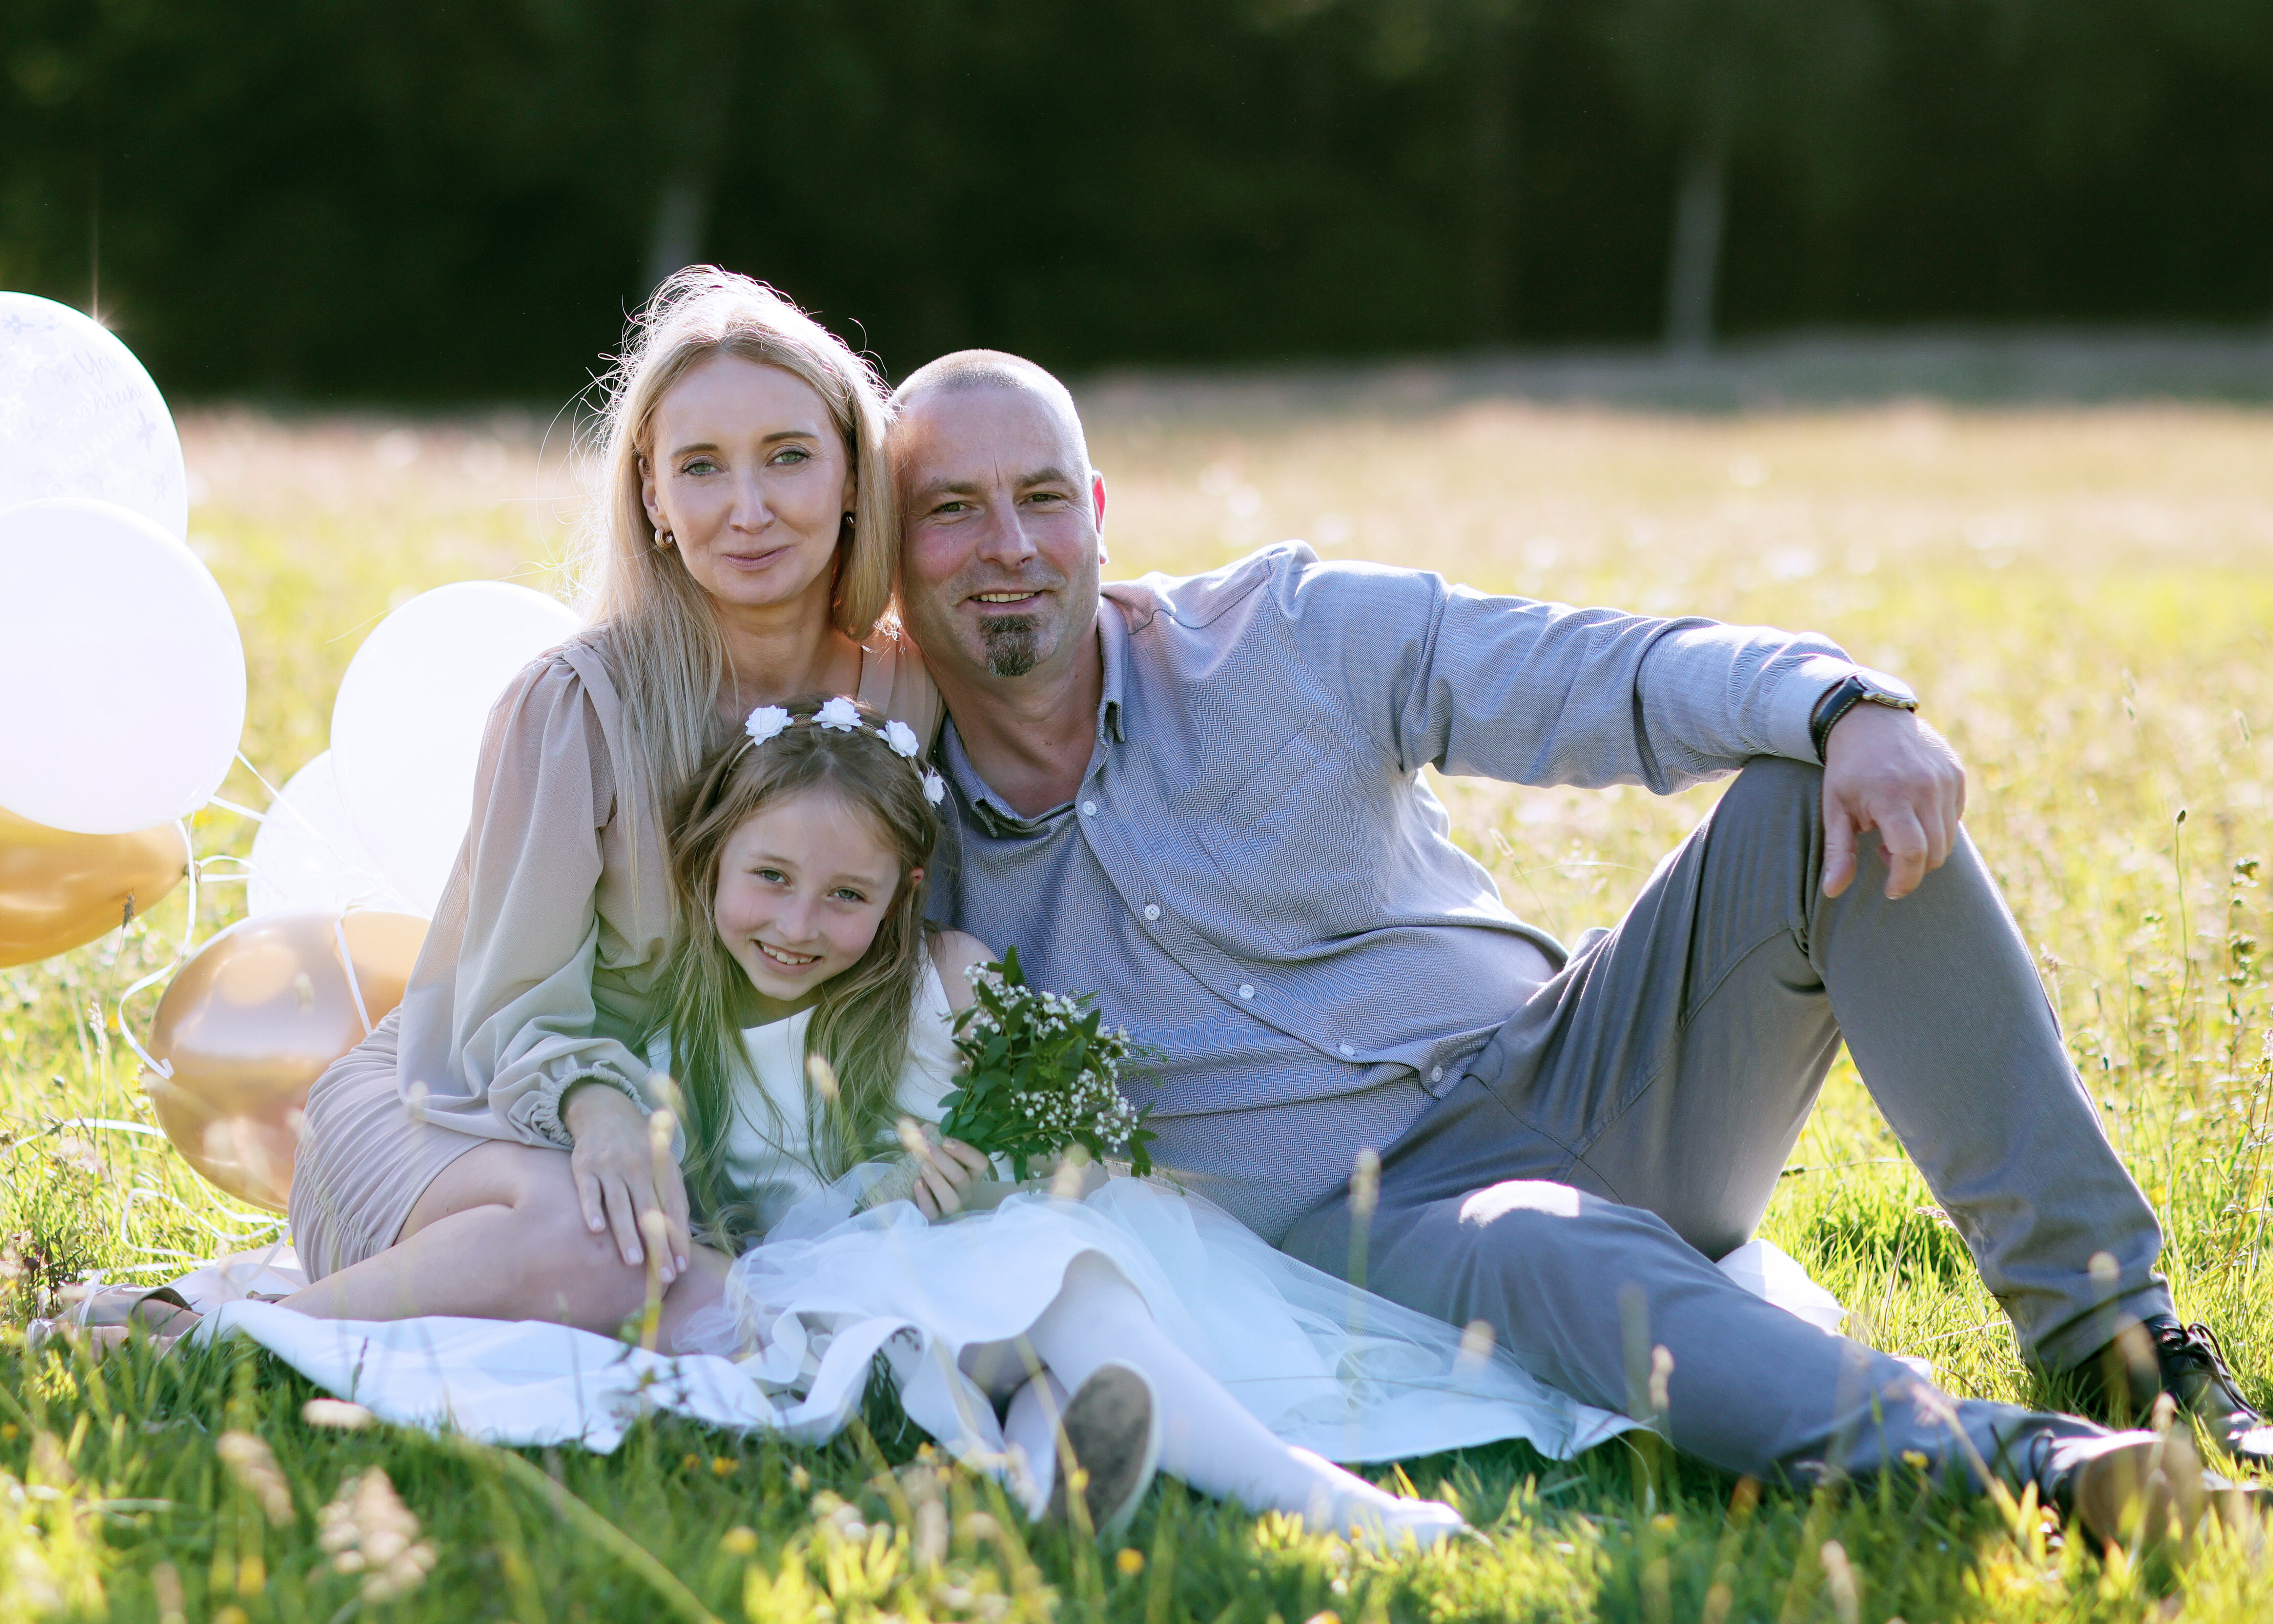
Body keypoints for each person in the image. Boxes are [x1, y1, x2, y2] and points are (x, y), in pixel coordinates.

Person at [888, 347, 2257, 1544]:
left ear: (1098, 514)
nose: (1008, 543)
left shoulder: (1283, 634)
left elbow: (1595, 672)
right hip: (1382, 1224)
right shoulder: (884, 836)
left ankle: (2114, 1338)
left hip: (1574, 1062)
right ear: (889, 559)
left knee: (1816, 795)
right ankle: (2034, 1470)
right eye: (951, 510)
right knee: (1543, 1244)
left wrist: (1845, 703)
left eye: (1041, 496)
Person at [646, 690, 1591, 1544]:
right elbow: (702, 1228)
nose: (799, 925)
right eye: (771, 878)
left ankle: (1058, 1486)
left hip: (1013, 1278)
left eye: (847, 895)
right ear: (710, 857)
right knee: (1054, 1286)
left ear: (905, 893)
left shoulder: (946, 981)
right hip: (862, 1317)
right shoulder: (681, 1047)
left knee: (1062, 1290)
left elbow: (1075, 1149)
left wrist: (991, 1179)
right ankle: (1300, 1497)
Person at [239, 267, 938, 1346]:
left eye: (788, 456)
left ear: (854, 472)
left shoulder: (909, 693)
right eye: (700, 468)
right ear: (653, 498)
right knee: (616, 1248)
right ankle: (226, 1335)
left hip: (720, 1156)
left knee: (751, 1304)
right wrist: (600, 1105)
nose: (748, 509)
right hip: (469, 1108)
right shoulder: (576, 706)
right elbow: (506, 1001)